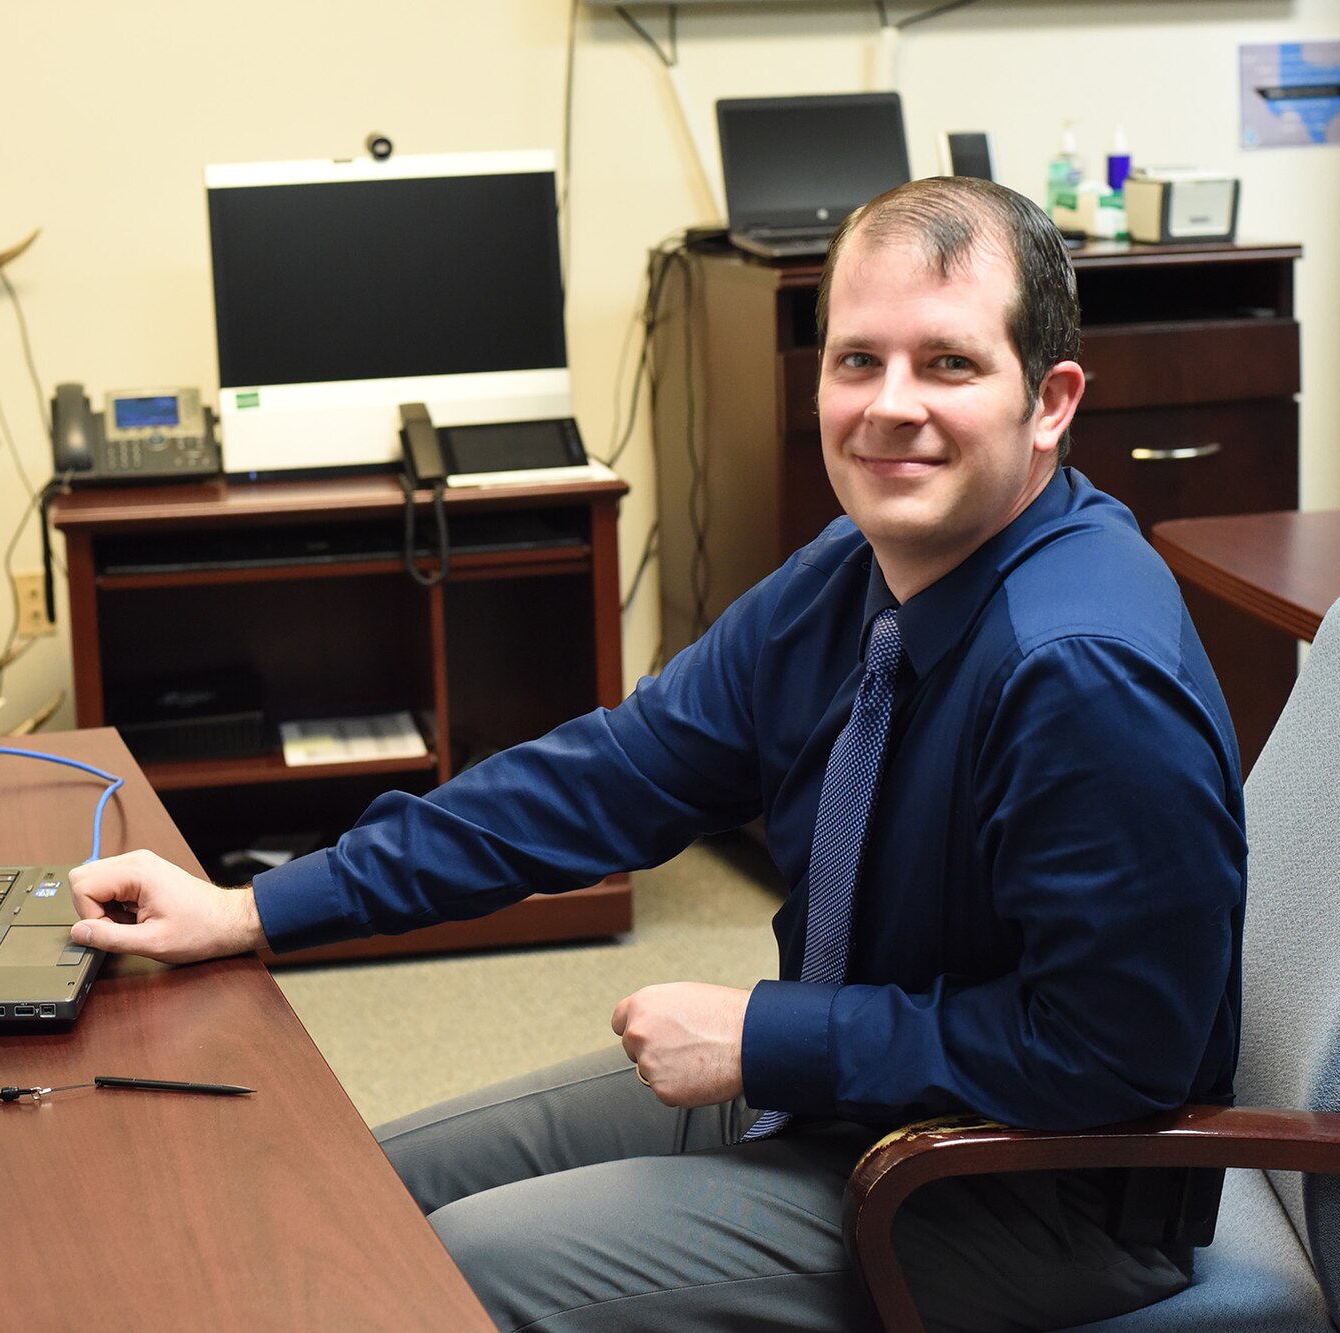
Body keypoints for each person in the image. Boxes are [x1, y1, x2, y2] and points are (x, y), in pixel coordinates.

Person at [68, 176, 1246, 1333]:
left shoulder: (1078, 672)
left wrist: (766, 1037)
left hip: (1021, 1190)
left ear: (1048, 402)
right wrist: (252, 910)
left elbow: (1110, 1060)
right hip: (855, 1100)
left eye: (947, 363)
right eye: (855, 360)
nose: (890, 405)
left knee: (450, 1275)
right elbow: (602, 780)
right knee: (360, 1189)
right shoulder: (854, 576)